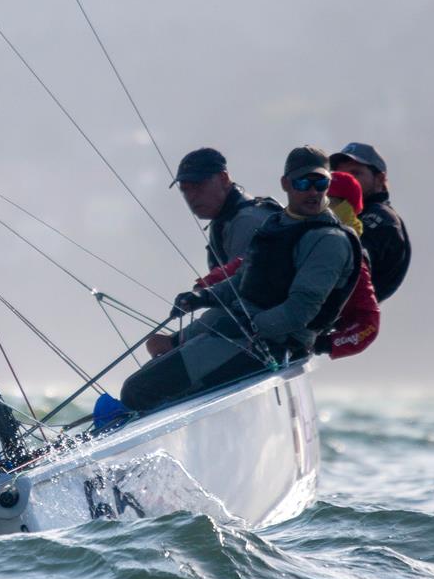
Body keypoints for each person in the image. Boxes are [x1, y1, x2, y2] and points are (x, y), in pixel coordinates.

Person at [122, 146, 360, 413]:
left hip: (272, 348)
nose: (313, 191)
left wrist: (252, 325)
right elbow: (247, 276)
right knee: (139, 386)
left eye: (321, 183)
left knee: (140, 391)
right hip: (244, 337)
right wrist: (205, 297)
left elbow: (299, 311)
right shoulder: (279, 226)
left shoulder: (329, 241)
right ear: (286, 184)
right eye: (303, 182)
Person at [147, 148, 280, 359]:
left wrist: (176, 340)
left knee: (140, 389)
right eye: (185, 190)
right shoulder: (228, 219)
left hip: (266, 339)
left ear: (224, 178)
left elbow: (244, 301)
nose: (191, 197)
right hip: (252, 334)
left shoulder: (247, 221)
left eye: (198, 186)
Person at [329, 142, 411, 301]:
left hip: (345, 317)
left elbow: (348, 262)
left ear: (380, 179)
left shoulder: (383, 219)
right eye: (339, 175)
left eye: (355, 173)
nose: (345, 180)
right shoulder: (341, 213)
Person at [315, 171, 380, 360]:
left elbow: (369, 325)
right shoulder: (299, 231)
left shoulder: (352, 258)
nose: (322, 205)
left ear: (349, 208)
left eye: (331, 201)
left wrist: (323, 344)